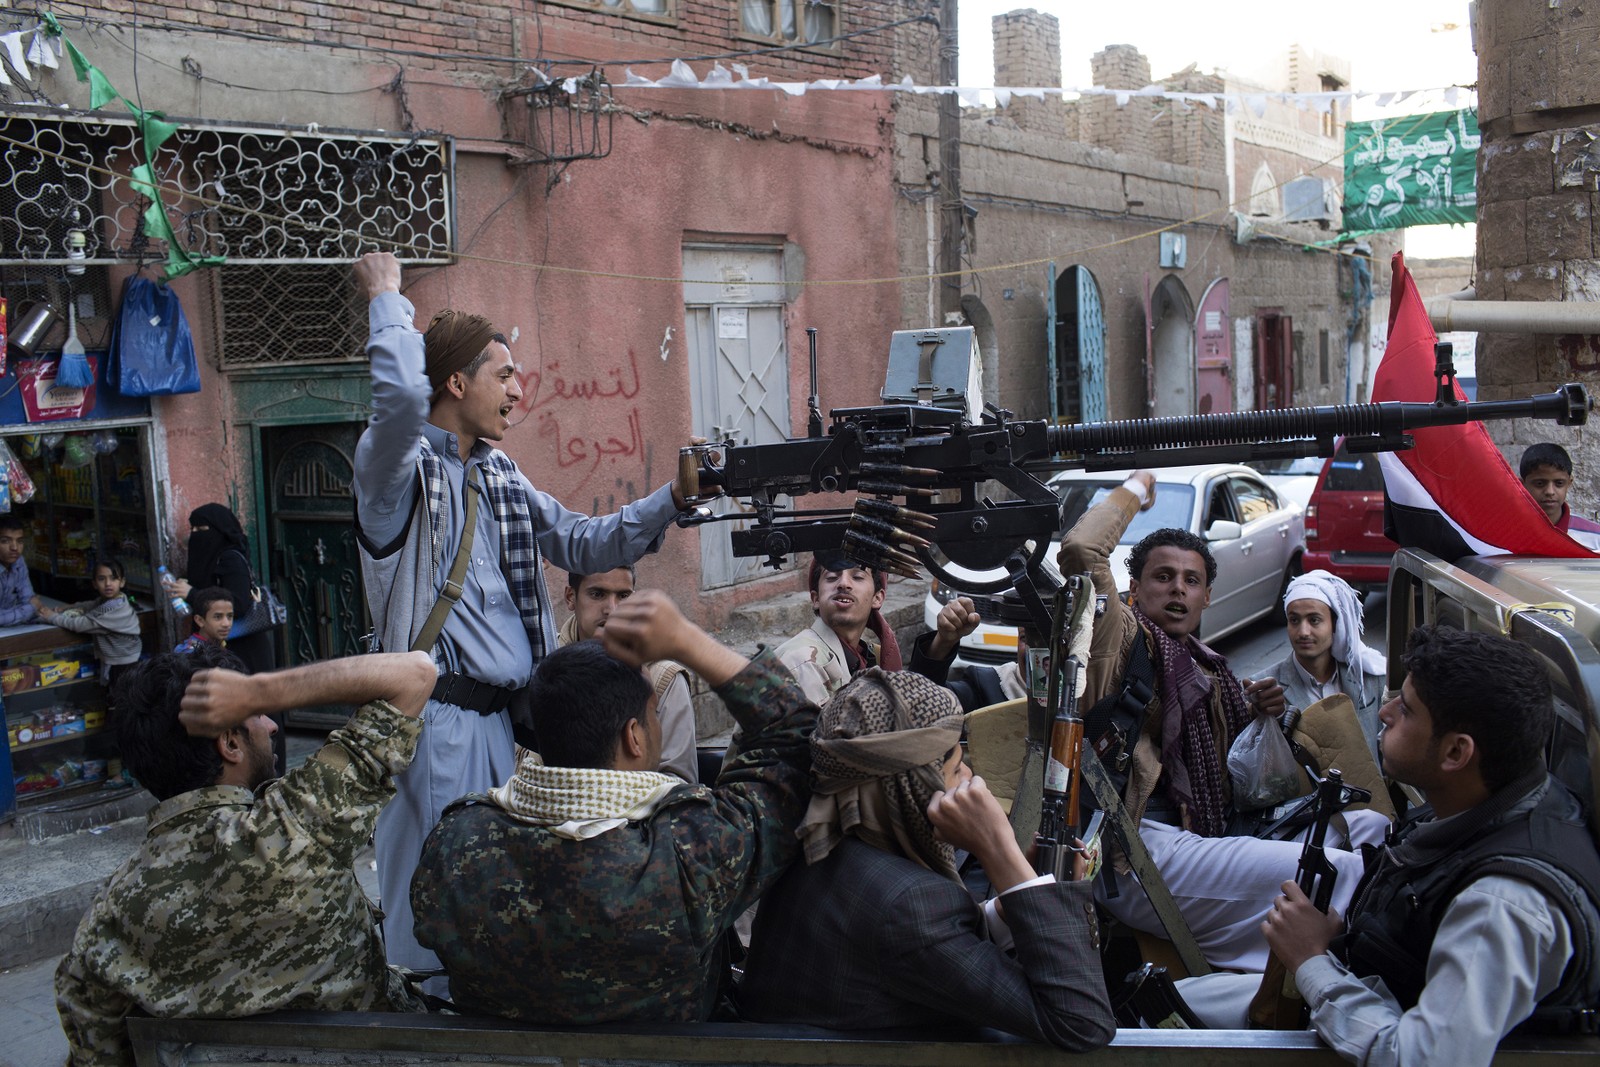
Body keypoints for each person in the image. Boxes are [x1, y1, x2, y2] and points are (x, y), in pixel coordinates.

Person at [351, 251, 697, 982]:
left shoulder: (500, 474)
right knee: (430, 917)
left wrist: (673, 495)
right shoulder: (396, 472)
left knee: (488, 912)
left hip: (503, 729)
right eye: (503, 374)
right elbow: (398, 402)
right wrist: (386, 297)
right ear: (454, 382)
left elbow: (583, 539)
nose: (517, 390)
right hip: (433, 727)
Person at [1179, 626, 1600, 1066]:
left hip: (1370, 1022)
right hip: (1369, 989)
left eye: (1409, 709)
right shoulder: (1490, 802)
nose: (1386, 712)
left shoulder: (1502, 906)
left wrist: (1310, 960)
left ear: (1456, 753)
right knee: (1168, 1004)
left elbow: (1419, 1060)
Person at [410, 591, 815, 1022]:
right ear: (634, 736)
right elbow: (792, 734)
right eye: (653, 715)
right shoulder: (691, 854)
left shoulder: (455, 844)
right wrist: (688, 642)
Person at [1057, 471, 1387, 972]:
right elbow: (1082, 549)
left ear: (1207, 597)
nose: (1178, 590)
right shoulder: (1119, 638)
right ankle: (1347, 978)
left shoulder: (1209, 668)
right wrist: (1138, 489)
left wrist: (1263, 719)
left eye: (1192, 581)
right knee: (1340, 873)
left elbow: (1242, 779)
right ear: (1134, 587)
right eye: (1162, 577)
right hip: (1133, 847)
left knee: (1371, 825)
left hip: (1209, 831)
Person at [54, 646, 436, 1067]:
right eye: (258, 715)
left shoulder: (106, 920)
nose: (271, 724)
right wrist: (259, 690)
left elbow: (96, 1054)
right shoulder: (296, 828)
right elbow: (415, 673)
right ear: (230, 743)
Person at [737, 668, 1116, 1050]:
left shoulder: (819, 842)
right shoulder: (909, 906)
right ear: (914, 788)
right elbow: (1081, 1023)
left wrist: (1013, 901)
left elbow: (933, 951)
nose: (971, 777)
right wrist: (1001, 852)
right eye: (955, 767)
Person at [560, 565, 697, 782]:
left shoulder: (663, 678)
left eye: (623, 596)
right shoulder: (545, 666)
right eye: (597, 594)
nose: (612, 609)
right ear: (570, 597)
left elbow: (679, 785)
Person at [1264, 570, 1387, 759]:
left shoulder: (1369, 678)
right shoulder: (1265, 689)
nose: (1303, 632)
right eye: (1294, 620)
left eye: (1314, 620)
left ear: (1335, 624)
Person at [774, 553, 905, 707]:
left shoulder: (869, 657)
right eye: (831, 577)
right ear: (816, 599)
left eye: (857, 577)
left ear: (877, 598)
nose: (843, 583)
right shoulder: (802, 661)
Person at [171, 503, 277, 674]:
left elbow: (239, 605)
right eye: (194, 529)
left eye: (202, 528)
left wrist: (191, 594)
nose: (196, 534)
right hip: (221, 649)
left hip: (244, 649)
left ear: (220, 529)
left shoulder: (230, 559)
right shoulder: (211, 559)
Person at [36, 558, 142, 691]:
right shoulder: (116, 599)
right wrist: (67, 607)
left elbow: (81, 624)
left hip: (124, 664)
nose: (108, 583)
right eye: (102, 579)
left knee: (121, 701)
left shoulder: (112, 608)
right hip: (120, 660)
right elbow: (89, 605)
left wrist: (52, 617)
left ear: (122, 582)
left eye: (113, 578)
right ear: (94, 583)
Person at [1520, 443, 1600, 550]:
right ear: (1521, 485)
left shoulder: (1595, 538)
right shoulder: (1502, 537)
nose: (1550, 491)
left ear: (1569, 483)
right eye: (1539, 483)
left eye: (1559, 483)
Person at [0, 516, 40, 626]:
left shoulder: (18, 561)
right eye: (5, 541)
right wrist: (30, 608)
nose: (15, 547)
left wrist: (29, 607)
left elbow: (28, 598)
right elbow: (33, 605)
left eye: (20, 541)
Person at [173, 586, 234, 655]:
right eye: (218, 617)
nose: (226, 624)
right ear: (200, 621)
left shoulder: (219, 644)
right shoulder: (190, 654)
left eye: (230, 616)